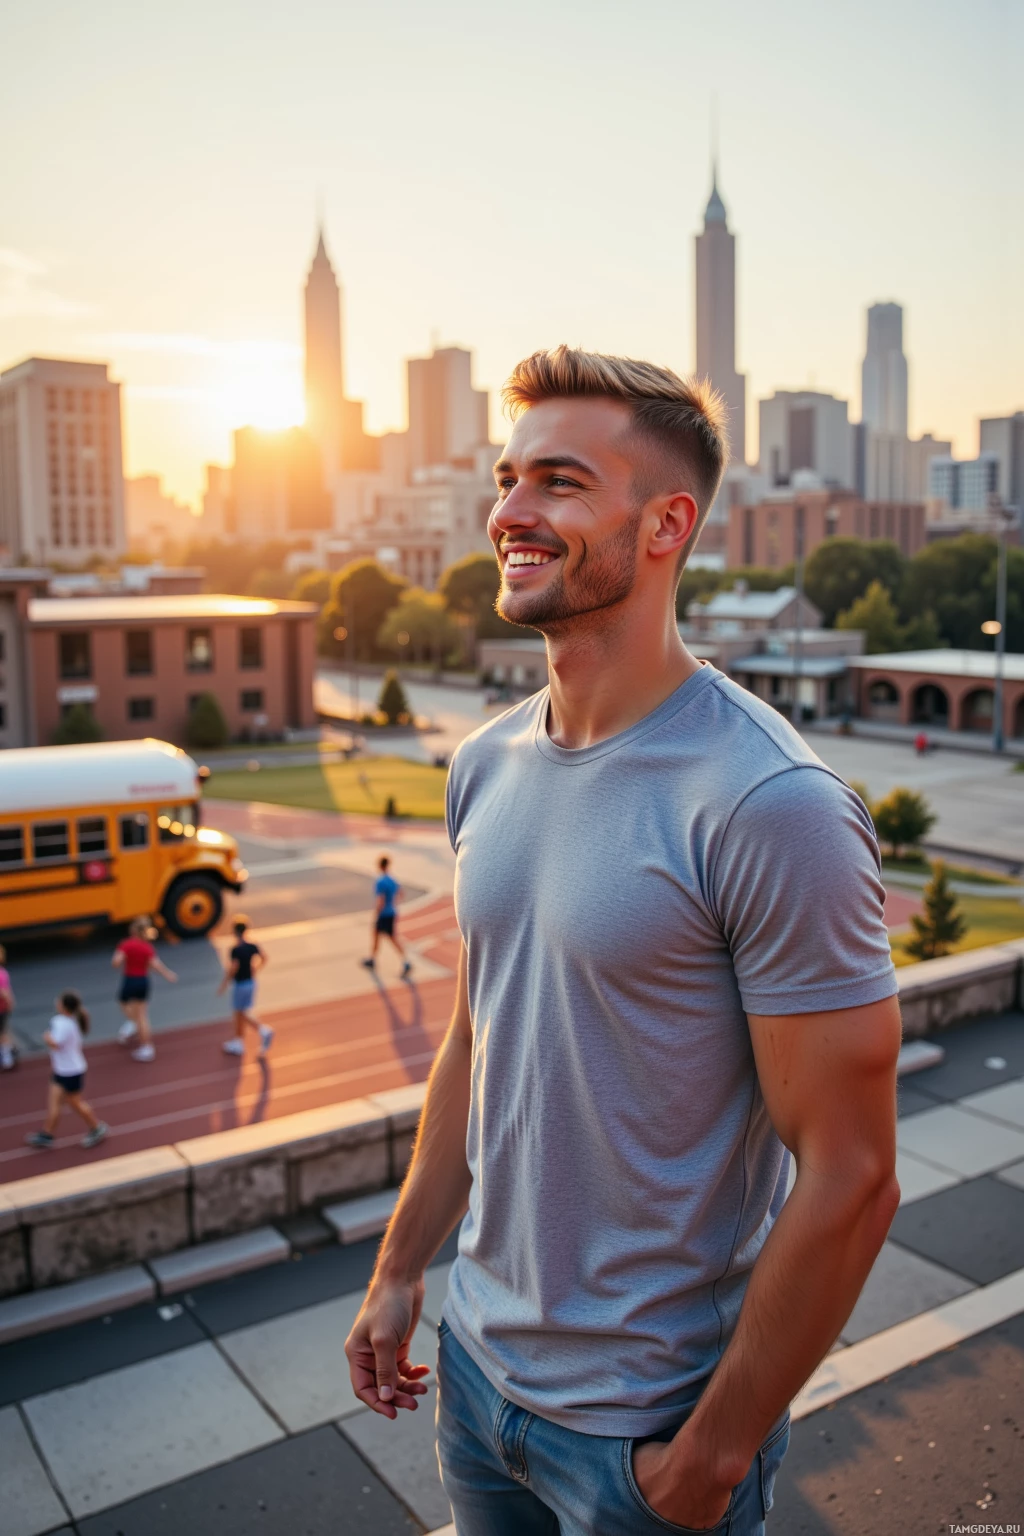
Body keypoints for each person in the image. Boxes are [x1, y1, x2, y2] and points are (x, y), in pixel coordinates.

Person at [345, 347, 901, 1535]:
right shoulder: (484, 763)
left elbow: (852, 1179)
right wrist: (401, 1270)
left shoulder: (771, 805)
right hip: (477, 1385)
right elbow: (476, 1038)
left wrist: (707, 1460)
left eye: (557, 482)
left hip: (647, 1436)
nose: (509, 513)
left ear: (666, 524)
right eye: (506, 479)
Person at [26, 991, 108, 1150]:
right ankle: (47, 1134)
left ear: (63, 1006)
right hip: (62, 1070)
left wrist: (47, 1037)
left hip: (71, 1072)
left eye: (59, 1000)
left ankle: (97, 1127)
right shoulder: (73, 1020)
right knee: (54, 1103)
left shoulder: (61, 1022)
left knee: (75, 1104)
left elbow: (56, 1044)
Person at [114, 916, 178, 1062]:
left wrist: (121, 961)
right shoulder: (147, 947)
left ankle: (146, 1045)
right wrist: (168, 974)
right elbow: (155, 964)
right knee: (140, 1014)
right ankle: (138, 1031)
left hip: (130, 980)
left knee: (132, 1009)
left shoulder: (126, 944)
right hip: (143, 981)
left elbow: (116, 961)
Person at [218, 915, 273, 1057]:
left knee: (240, 1013)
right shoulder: (252, 945)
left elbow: (233, 968)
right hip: (251, 982)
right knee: (242, 1012)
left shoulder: (236, 949)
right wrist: (256, 968)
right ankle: (239, 1041)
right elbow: (264, 958)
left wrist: (224, 984)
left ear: (234, 931)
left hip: (241, 984)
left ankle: (263, 1030)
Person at [361, 856, 412, 978]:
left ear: (379, 865)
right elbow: (401, 893)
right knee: (376, 934)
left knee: (391, 938)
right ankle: (372, 959)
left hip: (384, 914)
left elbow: (381, 900)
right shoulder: (392, 879)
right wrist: (393, 903)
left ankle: (406, 961)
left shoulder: (380, 881)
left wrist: (377, 912)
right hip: (392, 911)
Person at [0, 945, 17, 1071]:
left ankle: (7, 1058)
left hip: (1, 1008)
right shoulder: (3, 972)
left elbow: (4, 992)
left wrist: (10, 1002)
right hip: (3, 1008)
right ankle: (10, 1051)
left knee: (2, 1033)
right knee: (4, 1031)